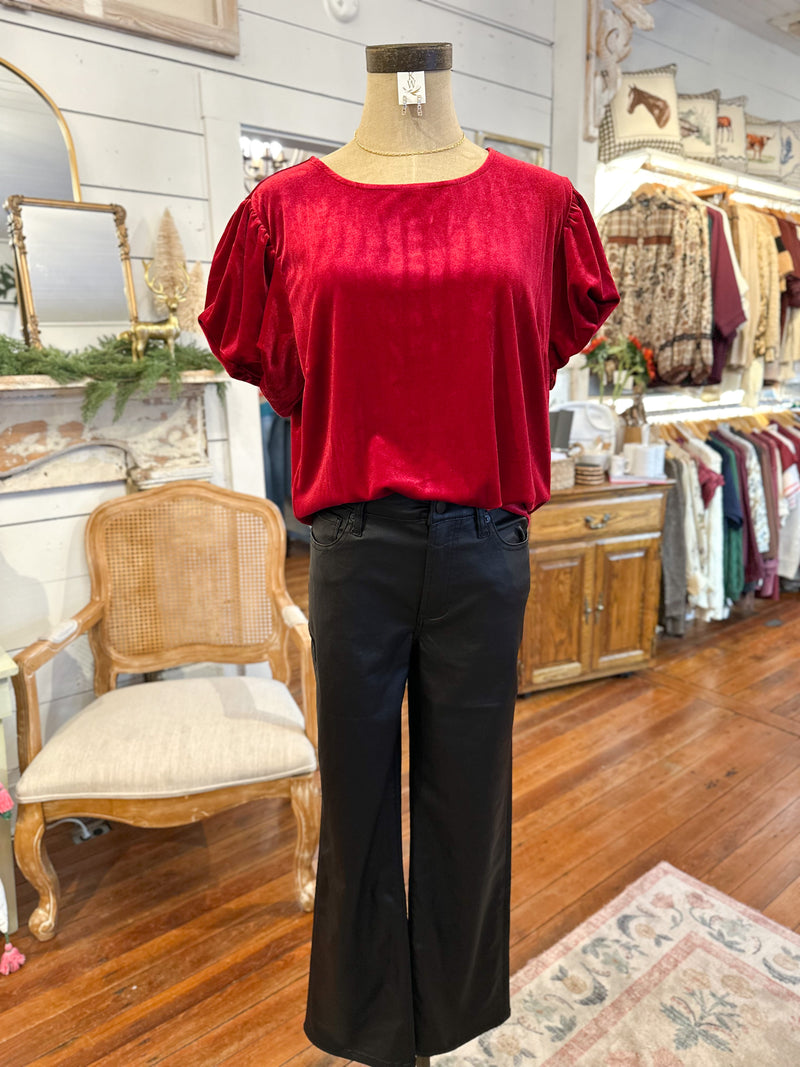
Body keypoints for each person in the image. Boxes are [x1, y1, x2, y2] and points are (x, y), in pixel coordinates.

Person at [199, 41, 618, 1067]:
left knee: (468, 799)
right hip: (352, 549)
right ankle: (369, 1030)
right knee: (351, 803)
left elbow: (541, 336)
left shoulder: (542, 206)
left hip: (485, 548)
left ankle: (451, 1014)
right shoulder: (281, 212)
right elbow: (269, 353)